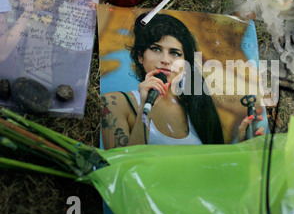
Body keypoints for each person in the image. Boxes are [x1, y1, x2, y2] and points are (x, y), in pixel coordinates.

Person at [101, 13, 263, 149]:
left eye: (175, 53)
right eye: (156, 49)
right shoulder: (115, 102)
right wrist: (144, 108)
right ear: (140, 57)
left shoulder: (197, 107)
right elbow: (120, 169)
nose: (165, 60)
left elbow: (217, 170)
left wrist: (242, 142)